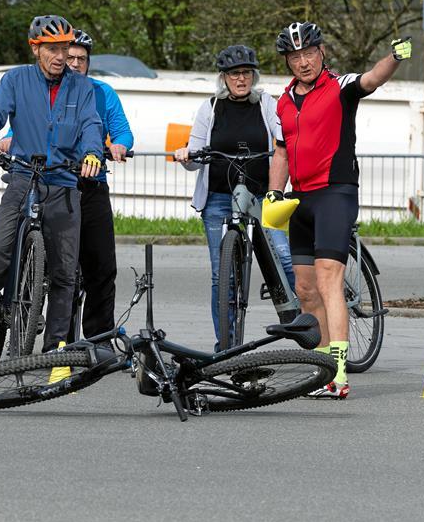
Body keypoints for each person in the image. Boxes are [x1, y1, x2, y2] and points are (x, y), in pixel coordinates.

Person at [267, 22, 411, 398]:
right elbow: (281, 152)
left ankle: (339, 374)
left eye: (309, 53)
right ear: (287, 61)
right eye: (295, 56)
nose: (303, 62)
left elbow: (373, 78)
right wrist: (272, 193)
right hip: (300, 199)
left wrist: (395, 57)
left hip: (336, 193)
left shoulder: (340, 86)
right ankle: (319, 369)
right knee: (305, 288)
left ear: (322, 52)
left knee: (328, 276)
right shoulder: (282, 102)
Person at [0, 15, 103, 353]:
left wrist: (91, 154)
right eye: (52, 49)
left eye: (64, 49)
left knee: (65, 270)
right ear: (36, 49)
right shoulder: (15, 80)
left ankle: (54, 344)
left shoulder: (83, 87)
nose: (60, 56)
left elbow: (90, 124)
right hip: (24, 178)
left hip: (63, 181)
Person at [1, 29, 133, 340]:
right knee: (43, 259)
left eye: (80, 59)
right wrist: (8, 139)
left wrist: (118, 146)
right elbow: (20, 125)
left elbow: (123, 132)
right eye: (68, 57)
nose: (72, 63)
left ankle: (99, 338)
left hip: (89, 183)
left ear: (89, 63)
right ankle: (25, 308)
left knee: (101, 266)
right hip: (49, 183)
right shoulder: (40, 88)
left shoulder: (101, 92)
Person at [174, 45, 295, 350]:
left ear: (253, 76)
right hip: (217, 199)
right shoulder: (210, 108)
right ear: (223, 78)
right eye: (234, 74)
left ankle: (301, 324)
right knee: (222, 276)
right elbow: (196, 157)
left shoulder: (267, 105)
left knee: (284, 259)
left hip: (259, 197)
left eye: (246, 73)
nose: (241, 79)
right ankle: (226, 346)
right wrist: (186, 154)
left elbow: (282, 144)